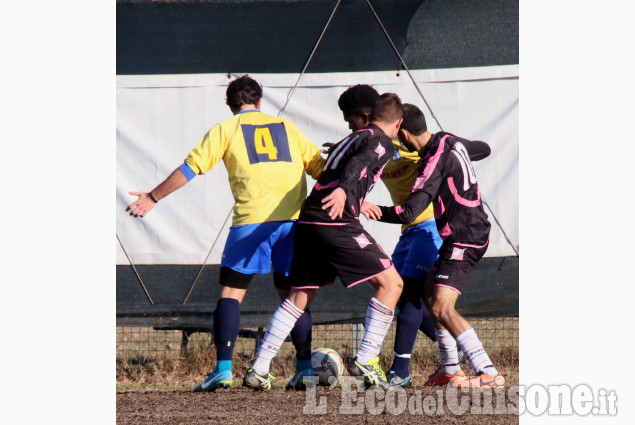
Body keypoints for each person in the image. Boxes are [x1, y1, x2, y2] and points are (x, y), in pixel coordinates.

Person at [125, 75, 325, 391]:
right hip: (293, 225)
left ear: (230, 105)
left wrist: (152, 197)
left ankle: (224, 370)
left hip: (250, 223)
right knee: (292, 298)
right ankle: (304, 369)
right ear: (261, 102)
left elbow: (190, 169)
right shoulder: (288, 129)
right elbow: (323, 171)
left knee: (231, 294)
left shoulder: (225, 130)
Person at [242, 93, 405, 391]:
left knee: (298, 297)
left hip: (309, 219)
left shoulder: (353, 138)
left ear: (365, 117)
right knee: (392, 284)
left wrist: (352, 193)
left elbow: (351, 161)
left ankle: (259, 368)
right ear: (398, 122)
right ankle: (367, 360)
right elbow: (359, 163)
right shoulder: (381, 140)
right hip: (334, 218)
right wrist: (345, 191)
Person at [362, 103, 505, 387]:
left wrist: (371, 208)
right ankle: (450, 367)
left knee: (441, 308)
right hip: (465, 232)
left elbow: (409, 213)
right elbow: (483, 148)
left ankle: (488, 373)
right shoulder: (447, 140)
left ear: (402, 132)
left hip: (465, 236)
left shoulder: (432, 164)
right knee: (428, 290)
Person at [338, 85, 463, 388]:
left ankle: (401, 371)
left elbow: (474, 151)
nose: (351, 126)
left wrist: (455, 147)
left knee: (407, 294)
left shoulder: (412, 146)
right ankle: (456, 348)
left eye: (352, 120)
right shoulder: (377, 146)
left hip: (428, 227)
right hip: (408, 231)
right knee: (410, 297)